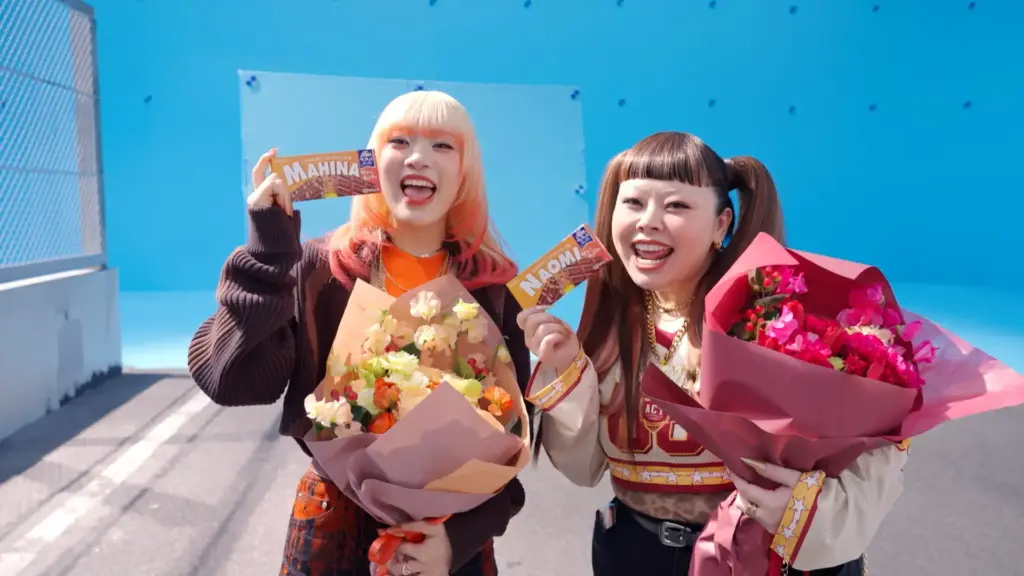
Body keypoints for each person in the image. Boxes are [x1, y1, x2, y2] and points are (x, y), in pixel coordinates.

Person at [518, 132, 907, 575]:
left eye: (676, 205)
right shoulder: (608, 328)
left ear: (722, 225)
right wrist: (568, 369)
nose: (648, 221)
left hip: (757, 556)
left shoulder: (778, 320)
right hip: (634, 553)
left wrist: (808, 514)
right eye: (633, 203)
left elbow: (877, 448)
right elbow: (583, 470)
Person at [188, 90, 533, 576]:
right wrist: (268, 251)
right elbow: (231, 380)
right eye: (400, 142)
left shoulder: (495, 288)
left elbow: (515, 441)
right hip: (331, 529)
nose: (418, 157)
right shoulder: (320, 269)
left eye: (442, 145)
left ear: (464, 172)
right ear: (372, 161)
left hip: (451, 541)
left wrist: (458, 539)